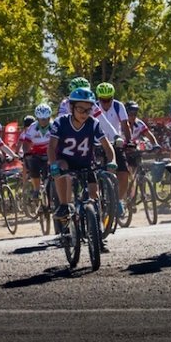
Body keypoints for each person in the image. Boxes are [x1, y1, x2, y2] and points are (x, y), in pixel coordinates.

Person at [48, 87, 116, 249]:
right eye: (80, 109)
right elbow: (51, 147)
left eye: (88, 109)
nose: (84, 113)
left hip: (86, 163)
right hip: (66, 161)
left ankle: (97, 232)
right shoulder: (61, 122)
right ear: (71, 108)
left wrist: (112, 161)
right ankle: (64, 205)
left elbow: (107, 146)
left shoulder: (93, 124)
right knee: (61, 168)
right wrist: (53, 164)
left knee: (94, 196)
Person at [92, 82, 130, 219]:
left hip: (115, 143)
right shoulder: (93, 107)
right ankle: (97, 202)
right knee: (95, 173)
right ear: (99, 98)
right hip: (97, 144)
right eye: (103, 99)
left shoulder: (118, 106)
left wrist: (128, 141)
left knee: (124, 173)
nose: (106, 102)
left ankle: (118, 200)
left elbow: (125, 125)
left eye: (109, 99)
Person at [20, 104, 53, 197]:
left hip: (50, 153)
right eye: (41, 119)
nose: (43, 121)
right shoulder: (32, 128)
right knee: (33, 166)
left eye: (46, 119)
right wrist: (26, 153)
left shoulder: (54, 126)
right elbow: (26, 143)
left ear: (49, 117)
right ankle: (36, 189)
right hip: (37, 155)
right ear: (37, 118)